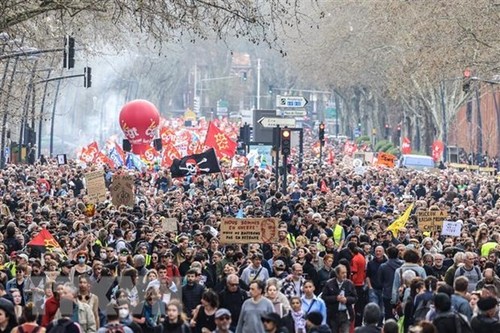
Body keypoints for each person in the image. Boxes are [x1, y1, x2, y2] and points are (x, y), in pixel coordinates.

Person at [321, 264, 357, 333]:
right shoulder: (329, 284)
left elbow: (355, 298)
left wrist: (346, 299)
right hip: (333, 315)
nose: (345, 275)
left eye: (346, 272)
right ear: (337, 274)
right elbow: (324, 297)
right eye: (342, 273)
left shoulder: (349, 284)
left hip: (346, 314)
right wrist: (335, 298)